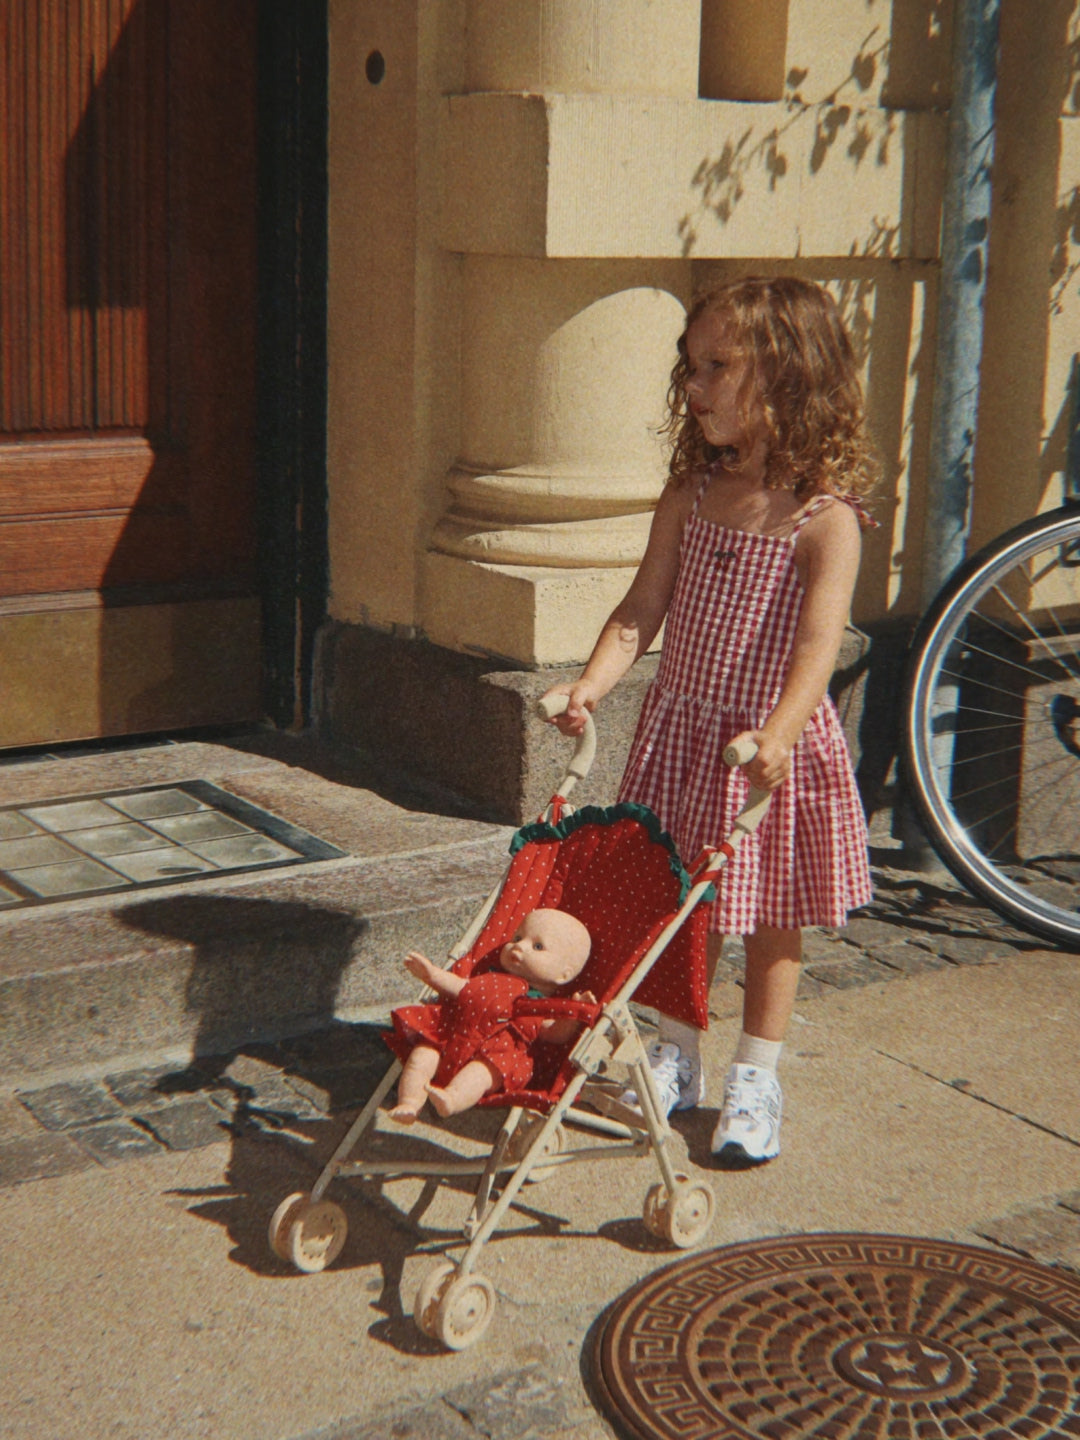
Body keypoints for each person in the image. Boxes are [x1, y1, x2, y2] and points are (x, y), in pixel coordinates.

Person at [541, 275, 877, 1166]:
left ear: (790, 374)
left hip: (763, 748)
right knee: (678, 901)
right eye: (690, 367)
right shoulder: (690, 494)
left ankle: (757, 1075)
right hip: (683, 734)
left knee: (770, 913)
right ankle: (677, 1052)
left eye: (718, 366)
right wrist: (590, 686)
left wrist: (778, 734)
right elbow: (640, 608)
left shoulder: (825, 520)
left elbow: (818, 644)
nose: (694, 386)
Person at [385, 908, 594, 1122]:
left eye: (538, 946)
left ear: (564, 975)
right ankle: (410, 1102)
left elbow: (554, 1033)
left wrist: (573, 1016)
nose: (519, 946)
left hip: (496, 1053)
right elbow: (460, 987)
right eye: (517, 938)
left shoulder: (540, 1005)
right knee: (422, 1054)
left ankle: (452, 1099)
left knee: (483, 1072)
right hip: (451, 1036)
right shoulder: (489, 978)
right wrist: (432, 975)